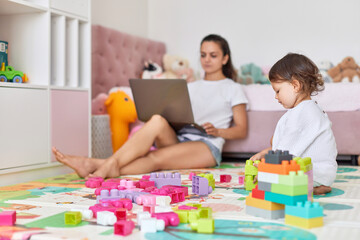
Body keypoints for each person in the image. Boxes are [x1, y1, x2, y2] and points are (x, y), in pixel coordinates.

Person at [53, 34, 248, 179]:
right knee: (157, 120)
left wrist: (218, 131)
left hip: (207, 145)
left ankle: (97, 164)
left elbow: (241, 130)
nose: (207, 59)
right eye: (203, 55)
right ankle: (105, 165)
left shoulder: (233, 88)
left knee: (155, 160)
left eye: (213, 55)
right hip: (180, 137)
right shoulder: (190, 85)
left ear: (225, 58)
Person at [250, 53, 338, 195]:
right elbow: (290, 145)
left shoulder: (303, 113)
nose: (276, 96)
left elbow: (287, 153)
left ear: (295, 85)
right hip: (321, 173)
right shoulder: (307, 109)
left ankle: (309, 187)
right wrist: (265, 152)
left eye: (278, 91)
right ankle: (313, 187)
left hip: (315, 172)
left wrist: (267, 169)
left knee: (268, 183)